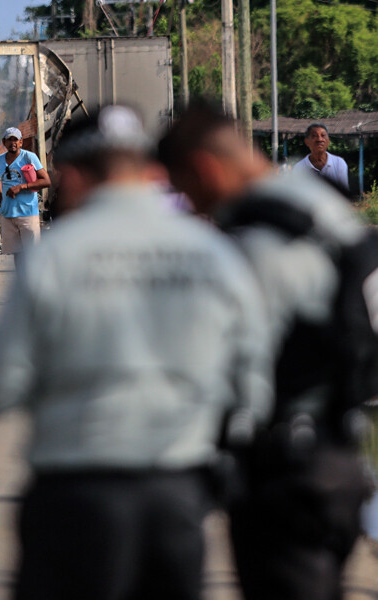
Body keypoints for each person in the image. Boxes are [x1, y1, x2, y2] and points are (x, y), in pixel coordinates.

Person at [0, 106, 273, 600]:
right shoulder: (214, 255)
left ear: (69, 177)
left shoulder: (54, 259)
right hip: (176, 497)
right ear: (152, 169)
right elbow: (253, 393)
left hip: (74, 494)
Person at [159, 102, 372, 600]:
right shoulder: (318, 208)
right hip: (341, 458)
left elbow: (232, 373)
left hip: (285, 475)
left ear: (206, 167)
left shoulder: (256, 241)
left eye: (190, 192)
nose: (195, 208)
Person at [0, 126, 51, 255]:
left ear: (21, 142)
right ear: (4, 142)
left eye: (16, 140)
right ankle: (21, 275)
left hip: (27, 213)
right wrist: (1, 196)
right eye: (10, 140)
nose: (13, 143)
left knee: (32, 254)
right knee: (16, 254)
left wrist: (22, 187)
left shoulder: (29, 157)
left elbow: (46, 181)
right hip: (8, 215)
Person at [293, 122, 350, 193]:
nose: (320, 139)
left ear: (328, 141)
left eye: (323, 135)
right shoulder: (299, 168)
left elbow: (343, 194)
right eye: (314, 136)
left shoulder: (339, 163)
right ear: (307, 141)